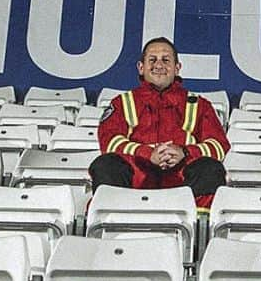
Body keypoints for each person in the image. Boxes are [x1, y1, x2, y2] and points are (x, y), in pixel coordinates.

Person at [91, 37, 229, 209]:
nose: (159, 65)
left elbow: (218, 146)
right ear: (140, 67)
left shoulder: (200, 104)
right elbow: (109, 143)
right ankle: (111, 222)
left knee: (210, 168)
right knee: (106, 164)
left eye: (166, 60)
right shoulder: (121, 102)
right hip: (137, 178)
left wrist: (184, 152)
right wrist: (148, 154)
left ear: (177, 68)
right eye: (152, 60)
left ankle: (199, 228)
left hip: (183, 179)